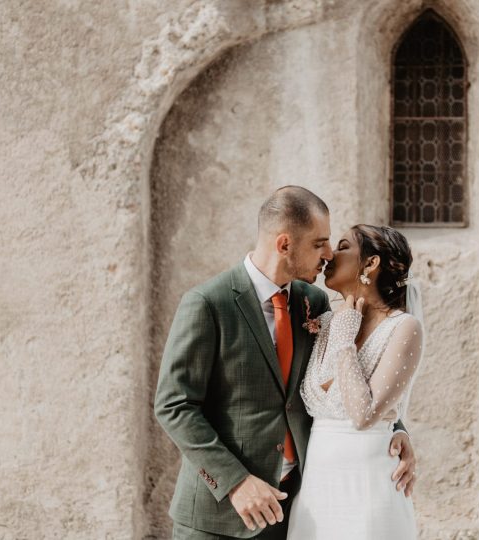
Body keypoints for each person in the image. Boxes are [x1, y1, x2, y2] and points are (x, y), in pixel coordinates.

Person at [154, 186, 417, 540]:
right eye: (319, 243)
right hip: (219, 517)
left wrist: (395, 429)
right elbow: (174, 406)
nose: (327, 255)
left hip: (295, 511)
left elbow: (347, 381)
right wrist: (236, 483)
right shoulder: (208, 303)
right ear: (284, 245)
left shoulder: (315, 304)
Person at [287, 224, 424, 539]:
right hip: (316, 492)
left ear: (371, 264)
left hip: (367, 491)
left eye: (344, 245)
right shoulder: (324, 322)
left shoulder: (403, 328)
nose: (332, 254)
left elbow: (364, 415)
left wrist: (345, 341)